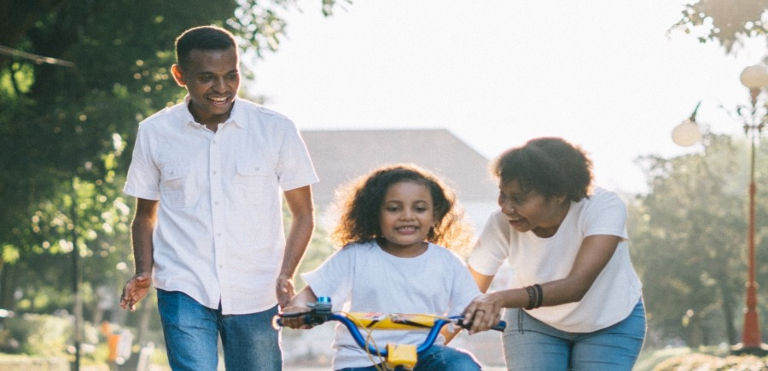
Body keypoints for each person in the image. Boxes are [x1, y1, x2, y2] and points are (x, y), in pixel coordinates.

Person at [118, 25, 318, 371]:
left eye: (231, 74)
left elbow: (303, 215)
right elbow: (144, 216)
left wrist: (286, 274)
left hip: (257, 289)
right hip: (184, 285)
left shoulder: (276, 129)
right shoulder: (155, 132)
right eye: (207, 77)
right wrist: (143, 270)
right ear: (180, 75)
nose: (222, 87)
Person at [462, 137, 646, 370]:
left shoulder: (603, 207)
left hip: (610, 322)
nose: (506, 208)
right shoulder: (501, 223)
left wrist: (499, 298)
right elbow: (467, 294)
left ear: (558, 194)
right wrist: (423, 351)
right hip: (534, 322)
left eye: (518, 199)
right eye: (503, 194)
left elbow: (576, 286)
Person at [281, 164, 482, 371]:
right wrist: (299, 309)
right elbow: (311, 296)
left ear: (435, 215)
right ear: (375, 213)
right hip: (362, 358)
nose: (407, 216)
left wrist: (481, 315)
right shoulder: (355, 256)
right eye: (394, 209)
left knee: (462, 365)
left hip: (424, 355)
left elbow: (472, 305)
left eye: (419, 209)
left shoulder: (447, 261)